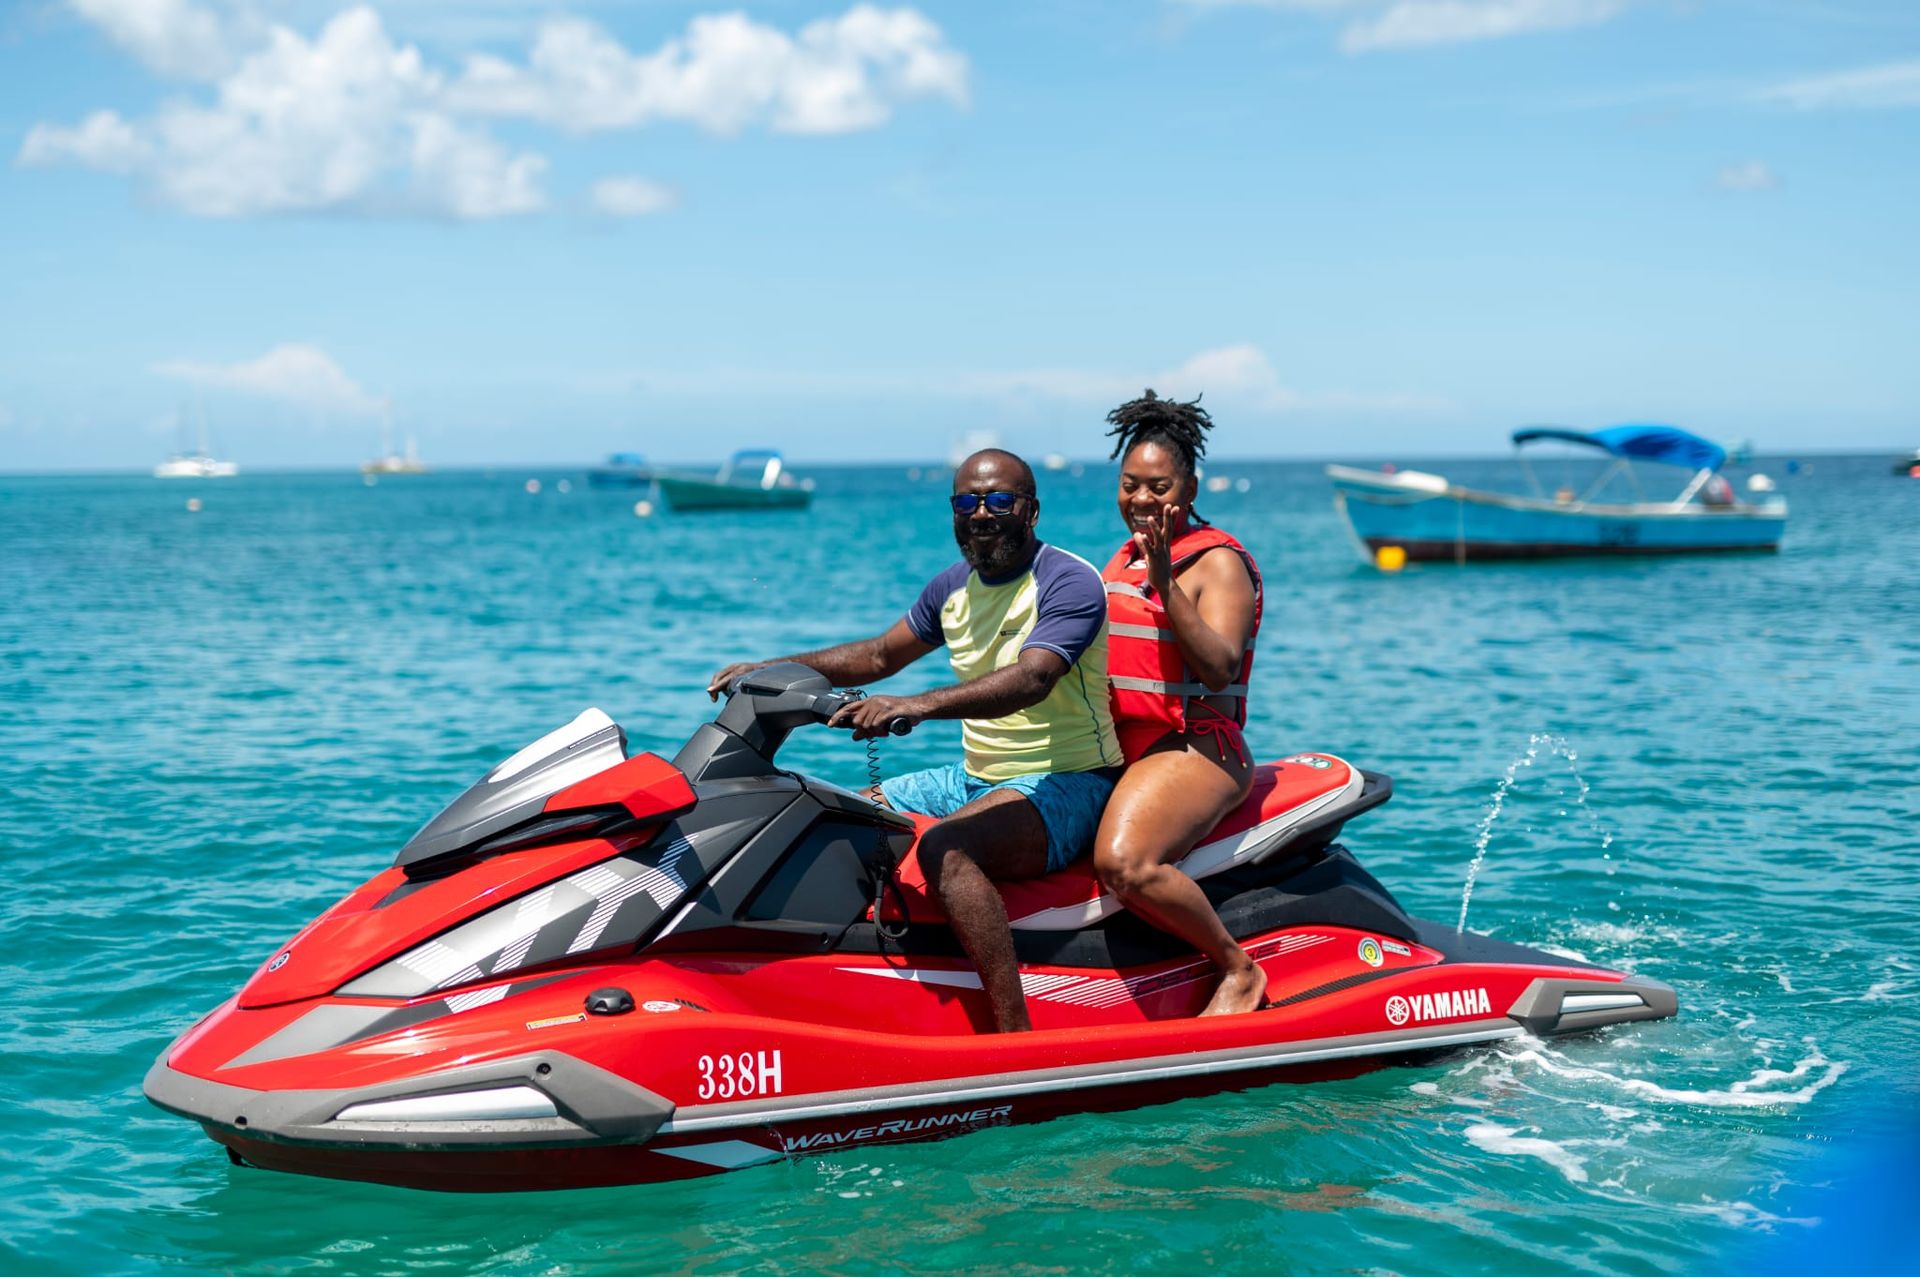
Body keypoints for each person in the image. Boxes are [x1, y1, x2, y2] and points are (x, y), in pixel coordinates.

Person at [707, 449, 1122, 1033]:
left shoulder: (1068, 581)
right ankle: (826, 988)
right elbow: (879, 655)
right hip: (972, 777)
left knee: (948, 852)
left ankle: (1013, 1036)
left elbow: (1033, 678)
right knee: (833, 816)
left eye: (1000, 500)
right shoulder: (952, 588)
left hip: (1070, 783)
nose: (982, 513)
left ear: (1031, 511)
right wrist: (774, 668)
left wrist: (916, 706)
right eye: (967, 502)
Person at [1092, 391, 1267, 1016]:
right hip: (1123, 749)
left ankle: (1237, 968)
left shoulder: (1217, 564)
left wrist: (1167, 580)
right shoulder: (1123, 560)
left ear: (1188, 489)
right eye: (1130, 484)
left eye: (1158, 487)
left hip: (1197, 748)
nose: (1142, 499)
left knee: (1125, 862)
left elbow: (1219, 665)